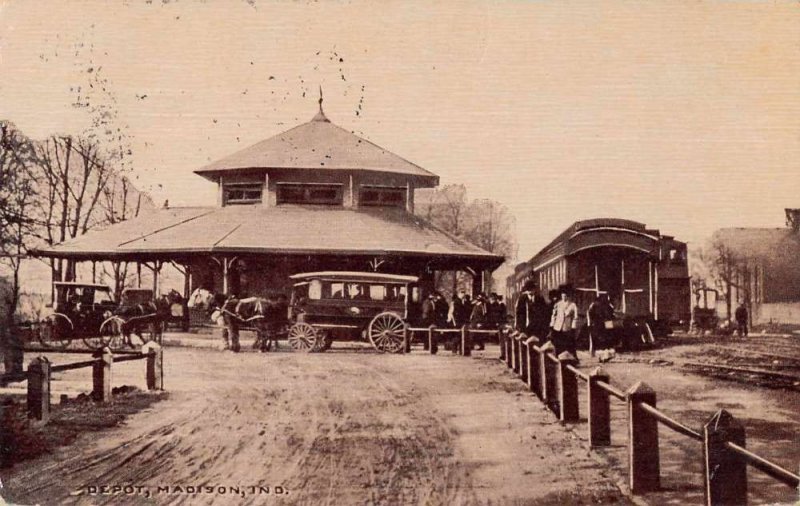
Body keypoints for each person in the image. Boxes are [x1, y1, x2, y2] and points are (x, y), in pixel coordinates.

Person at [550, 289, 579, 358]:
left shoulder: (572, 305)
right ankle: (559, 357)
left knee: (568, 343)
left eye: (565, 296)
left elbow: (575, 317)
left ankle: (570, 358)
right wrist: (552, 324)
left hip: (567, 327)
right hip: (558, 327)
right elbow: (554, 315)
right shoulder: (558, 304)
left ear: (568, 296)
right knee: (559, 343)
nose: (564, 297)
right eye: (562, 295)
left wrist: (573, 326)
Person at [587, 294, 615, 359]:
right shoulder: (598, 305)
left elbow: (590, 314)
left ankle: (602, 355)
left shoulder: (607, 305)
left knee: (602, 340)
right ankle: (603, 355)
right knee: (604, 340)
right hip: (602, 324)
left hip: (603, 323)